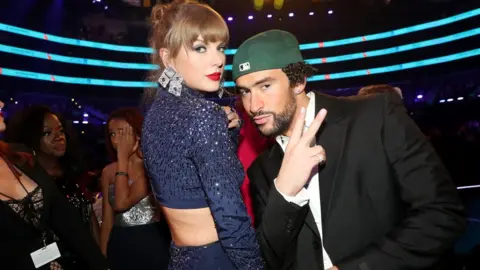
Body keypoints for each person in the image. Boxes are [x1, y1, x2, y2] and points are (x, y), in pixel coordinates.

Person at [232, 29, 466, 270]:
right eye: (245, 92)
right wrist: (285, 194)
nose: (253, 106)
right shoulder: (261, 169)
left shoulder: (375, 117)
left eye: (265, 86)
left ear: (298, 81)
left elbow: (442, 214)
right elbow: (270, 259)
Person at [141, 1, 263, 269]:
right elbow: (231, 217)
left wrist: (227, 134)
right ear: (167, 57)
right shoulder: (203, 115)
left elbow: (187, 181)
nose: (218, 59)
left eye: (220, 47)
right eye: (200, 48)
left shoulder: (155, 114)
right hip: (219, 258)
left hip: (181, 259)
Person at [0, 101, 108, 270]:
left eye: (60, 130)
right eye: (47, 133)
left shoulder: (20, 157)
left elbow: (70, 223)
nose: (1, 103)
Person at [99, 107, 170, 270]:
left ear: (138, 135)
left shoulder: (150, 168)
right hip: (119, 244)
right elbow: (107, 220)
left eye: (122, 133)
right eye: (112, 134)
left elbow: (121, 203)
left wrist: (122, 159)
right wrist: (101, 258)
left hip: (150, 243)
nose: (116, 140)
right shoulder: (107, 172)